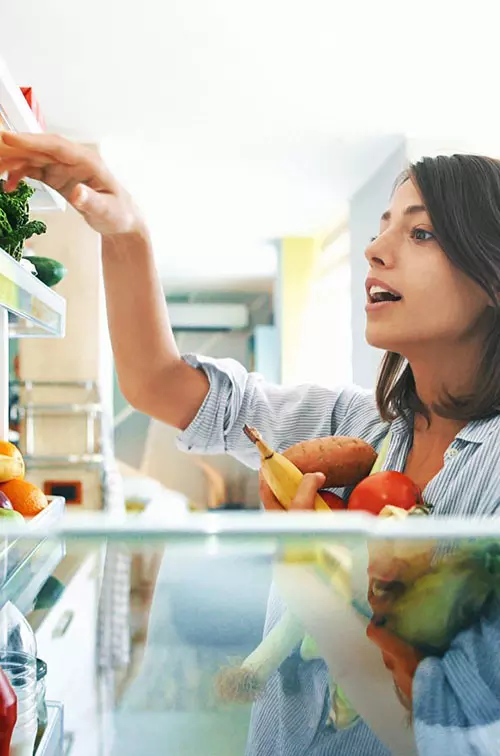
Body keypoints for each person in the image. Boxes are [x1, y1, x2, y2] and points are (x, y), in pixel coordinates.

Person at [1, 133, 500, 755]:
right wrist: (126, 232)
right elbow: (159, 383)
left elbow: (450, 738)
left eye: (420, 233)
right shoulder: (352, 424)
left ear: (491, 276)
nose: (374, 249)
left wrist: (308, 580)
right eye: (381, 227)